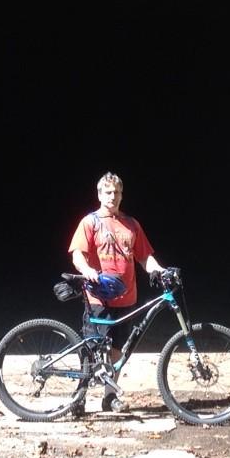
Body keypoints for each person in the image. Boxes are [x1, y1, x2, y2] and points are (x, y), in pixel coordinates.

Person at [67, 172, 166, 410]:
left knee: (118, 351)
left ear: (122, 195)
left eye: (117, 192)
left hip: (126, 299)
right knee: (92, 349)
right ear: (100, 194)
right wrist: (88, 269)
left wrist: (160, 270)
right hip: (98, 297)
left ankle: (109, 397)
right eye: (108, 192)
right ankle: (78, 398)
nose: (113, 196)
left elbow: (145, 257)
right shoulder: (89, 222)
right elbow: (77, 254)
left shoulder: (131, 225)